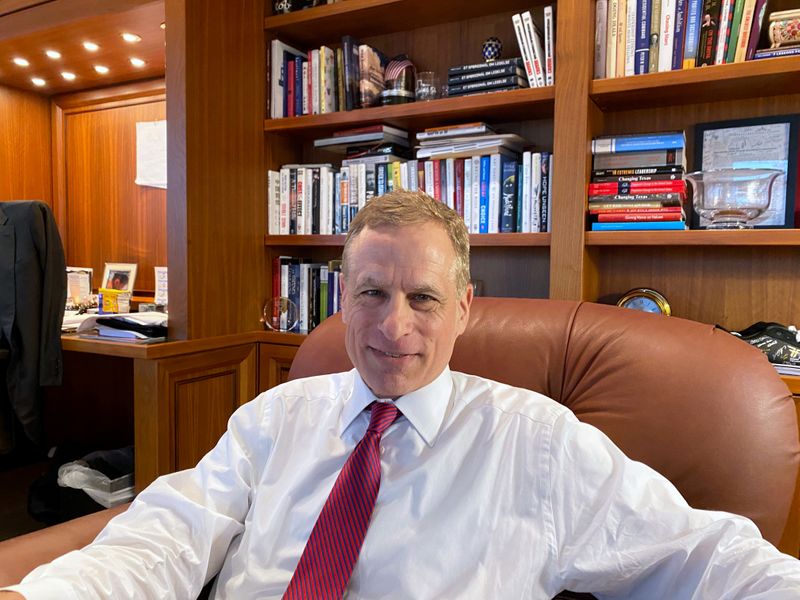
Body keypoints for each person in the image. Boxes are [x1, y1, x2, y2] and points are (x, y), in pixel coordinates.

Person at [3, 190, 800, 599]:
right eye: (371, 294)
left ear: (463, 308)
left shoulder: (539, 443)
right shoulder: (277, 417)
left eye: (422, 298)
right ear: (341, 299)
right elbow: (166, 537)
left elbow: (705, 556)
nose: (393, 327)